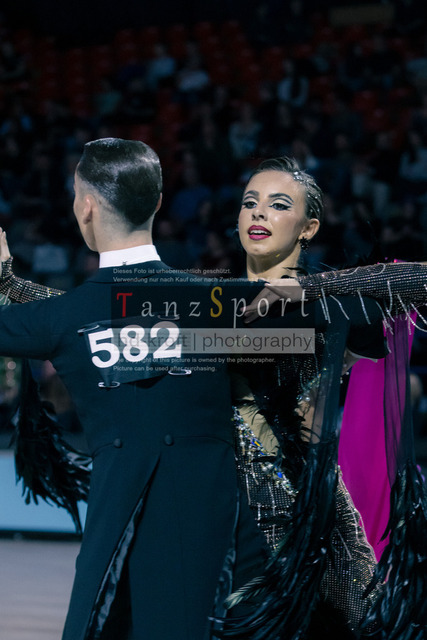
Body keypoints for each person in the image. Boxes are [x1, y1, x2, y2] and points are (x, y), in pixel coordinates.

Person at [0, 155, 394, 639]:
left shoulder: (274, 309)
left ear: (309, 227)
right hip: (222, 506)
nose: (258, 212)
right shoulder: (210, 301)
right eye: (250, 202)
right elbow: (101, 319)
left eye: (278, 204)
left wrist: (307, 296)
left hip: (291, 503)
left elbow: (95, 320)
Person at [0, 137, 274, 640]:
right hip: (221, 542)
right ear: (157, 202)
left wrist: (1, 277)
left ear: (86, 206)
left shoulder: (63, 318)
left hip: (117, 538)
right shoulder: (221, 303)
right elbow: (335, 318)